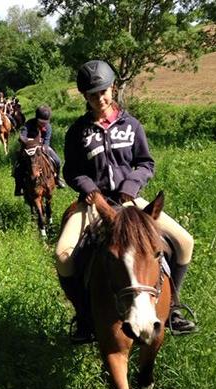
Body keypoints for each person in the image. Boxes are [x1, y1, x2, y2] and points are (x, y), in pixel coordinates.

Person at [55, 59, 197, 343]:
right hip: (94, 204)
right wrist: (90, 192)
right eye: (93, 94)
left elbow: (146, 163)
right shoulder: (77, 132)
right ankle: (84, 318)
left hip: (130, 201)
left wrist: (131, 186)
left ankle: (172, 310)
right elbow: (71, 171)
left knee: (184, 241)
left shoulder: (132, 125)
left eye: (104, 91)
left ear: (113, 88)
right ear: (85, 96)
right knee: (63, 256)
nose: (100, 98)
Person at [13, 105, 65, 196]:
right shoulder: (29, 124)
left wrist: (43, 147)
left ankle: (58, 179)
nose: (43, 124)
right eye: (41, 122)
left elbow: (47, 140)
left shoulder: (48, 127)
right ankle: (18, 186)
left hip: (42, 147)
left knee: (57, 161)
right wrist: (27, 141)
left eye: (46, 122)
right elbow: (22, 135)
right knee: (17, 166)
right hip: (29, 148)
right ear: (36, 119)